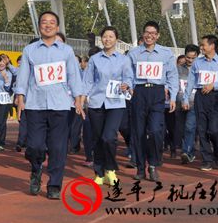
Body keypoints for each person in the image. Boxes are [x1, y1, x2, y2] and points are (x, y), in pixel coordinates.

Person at [15, 11, 84, 199]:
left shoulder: (66, 51)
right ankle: (36, 169)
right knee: (35, 145)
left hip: (60, 105)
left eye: (52, 22)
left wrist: (78, 98)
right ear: (39, 26)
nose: (48, 25)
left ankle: (54, 183)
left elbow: (73, 76)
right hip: (35, 105)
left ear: (58, 27)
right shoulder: (30, 50)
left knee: (58, 147)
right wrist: (20, 97)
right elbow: (23, 76)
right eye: (44, 22)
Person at [128, 21, 178, 181]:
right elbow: (128, 74)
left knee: (156, 130)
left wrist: (173, 96)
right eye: (147, 32)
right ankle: (140, 167)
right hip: (139, 92)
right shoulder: (133, 53)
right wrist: (129, 87)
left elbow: (172, 75)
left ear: (157, 35)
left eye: (153, 33)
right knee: (139, 132)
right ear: (143, 34)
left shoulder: (166, 53)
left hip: (157, 93)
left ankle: (154, 164)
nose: (149, 36)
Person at [82, 26, 133, 186]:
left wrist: (126, 85)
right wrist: (83, 98)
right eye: (105, 37)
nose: (107, 39)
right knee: (97, 139)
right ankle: (99, 172)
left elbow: (129, 77)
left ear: (116, 39)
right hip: (97, 102)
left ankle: (110, 169)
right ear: (101, 39)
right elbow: (88, 81)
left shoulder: (124, 59)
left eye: (111, 37)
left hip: (116, 103)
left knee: (109, 137)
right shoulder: (95, 59)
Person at [182, 35, 218, 171]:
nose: (201, 47)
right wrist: (186, 99)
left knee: (215, 130)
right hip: (200, 97)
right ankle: (206, 160)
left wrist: (214, 85)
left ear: (212, 46)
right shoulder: (197, 63)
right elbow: (191, 81)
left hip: (215, 97)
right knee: (202, 130)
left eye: (203, 45)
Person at [178, 44, 199, 164]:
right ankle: (188, 148)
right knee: (181, 129)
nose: (190, 60)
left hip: (195, 103)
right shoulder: (178, 69)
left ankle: (187, 152)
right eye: (188, 57)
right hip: (180, 102)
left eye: (193, 58)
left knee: (189, 127)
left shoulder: (200, 70)